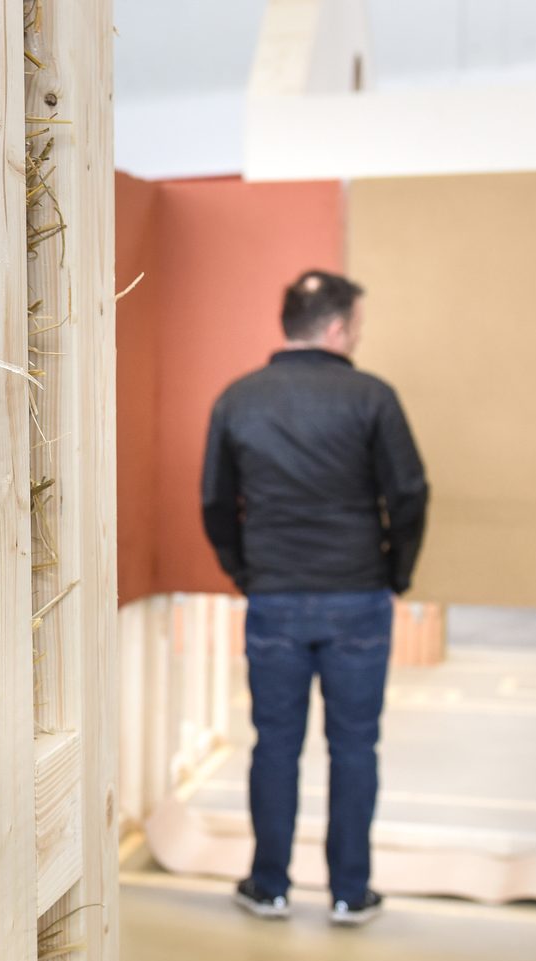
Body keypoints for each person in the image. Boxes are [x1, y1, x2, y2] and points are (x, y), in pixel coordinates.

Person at [200, 270, 429, 926]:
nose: (358, 334)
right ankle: (349, 893)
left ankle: (268, 885)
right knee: (355, 745)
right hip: (357, 597)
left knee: (274, 743)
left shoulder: (238, 399)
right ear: (336, 328)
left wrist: (246, 572)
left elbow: (216, 502)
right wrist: (396, 571)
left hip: (274, 598)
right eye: (356, 323)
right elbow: (409, 494)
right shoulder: (372, 397)